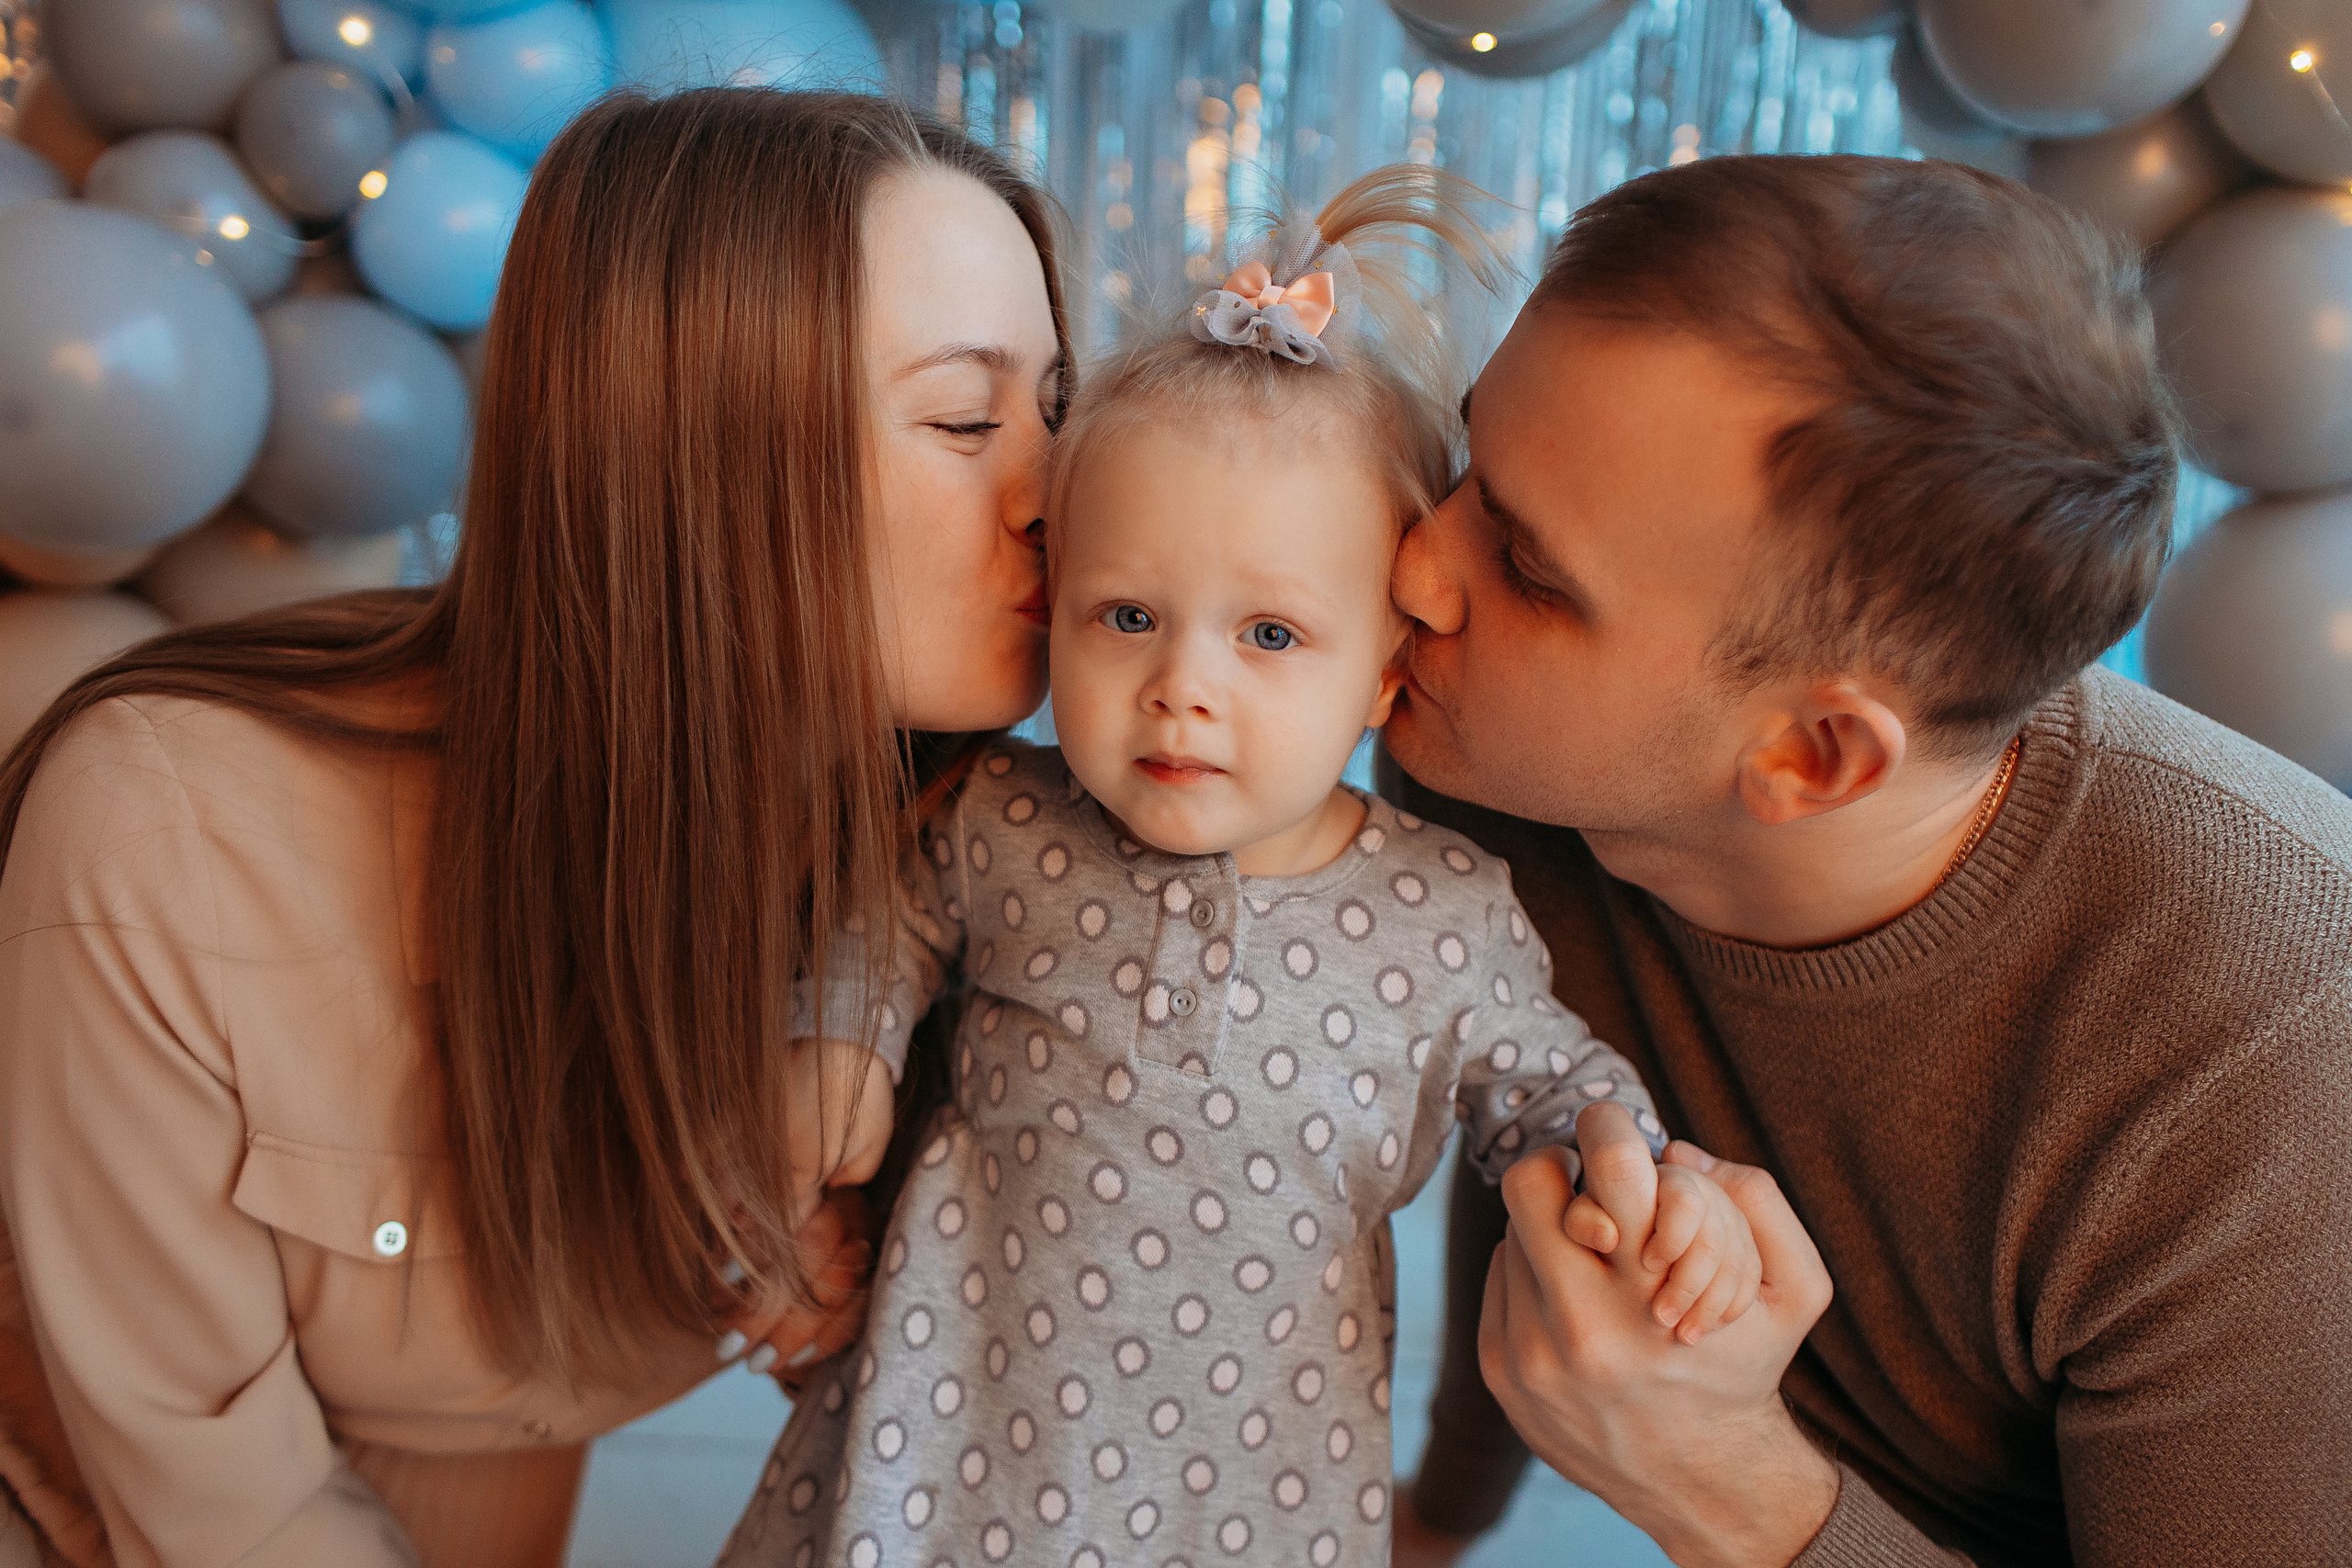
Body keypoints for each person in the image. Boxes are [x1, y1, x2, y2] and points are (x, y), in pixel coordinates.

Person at [0, 88, 1067, 1568]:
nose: (1056, 491)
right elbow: (213, 1507)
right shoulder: (169, 833)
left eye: (1059, 410)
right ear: (691, 455)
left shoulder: (956, 862)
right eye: (967, 418)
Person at [718, 168, 1763, 1568]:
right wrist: (841, 1035)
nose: (1182, 689)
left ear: (1388, 672)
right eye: (1129, 614)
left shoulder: (1443, 914)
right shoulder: (1006, 823)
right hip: (943, 1444)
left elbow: (1552, 1085)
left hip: (1247, 1494)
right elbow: (885, 918)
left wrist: (1639, 1182)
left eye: (1268, 637)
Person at [1381, 153, 2352, 1566]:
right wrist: (1441, 1513)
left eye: (1530, 570)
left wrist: (1731, 1490)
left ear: (1814, 759)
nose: (1413, 568)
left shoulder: (2269, 1060)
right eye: (1473, 465)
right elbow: (1520, 1124)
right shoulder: (1487, 739)